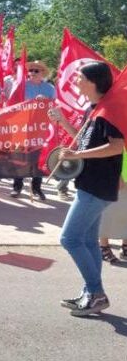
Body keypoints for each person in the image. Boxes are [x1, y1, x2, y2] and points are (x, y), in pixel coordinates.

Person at [49, 61, 124, 316]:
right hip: (90, 184)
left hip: (98, 186)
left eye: (79, 77)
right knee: (89, 241)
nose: (76, 80)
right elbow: (80, 140)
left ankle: (96, 293)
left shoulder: (109, 110)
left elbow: (116, 147)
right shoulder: (94, 109)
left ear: (93, 81)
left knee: (69, 238)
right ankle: (91, 293)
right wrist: (61, 122)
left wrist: (79, 153)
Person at [11, 60, 56, 201]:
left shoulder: (49, 88)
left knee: (38, 157)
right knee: (20, 157)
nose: (32, 73)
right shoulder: (21, 86)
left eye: (36, 70)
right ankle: (17, 187)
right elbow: (14, 104)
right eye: (30, 70)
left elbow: (55, 106)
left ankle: (37, 188)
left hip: (41, 128)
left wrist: (45, 102)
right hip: (23, 127)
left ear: (43, 73)